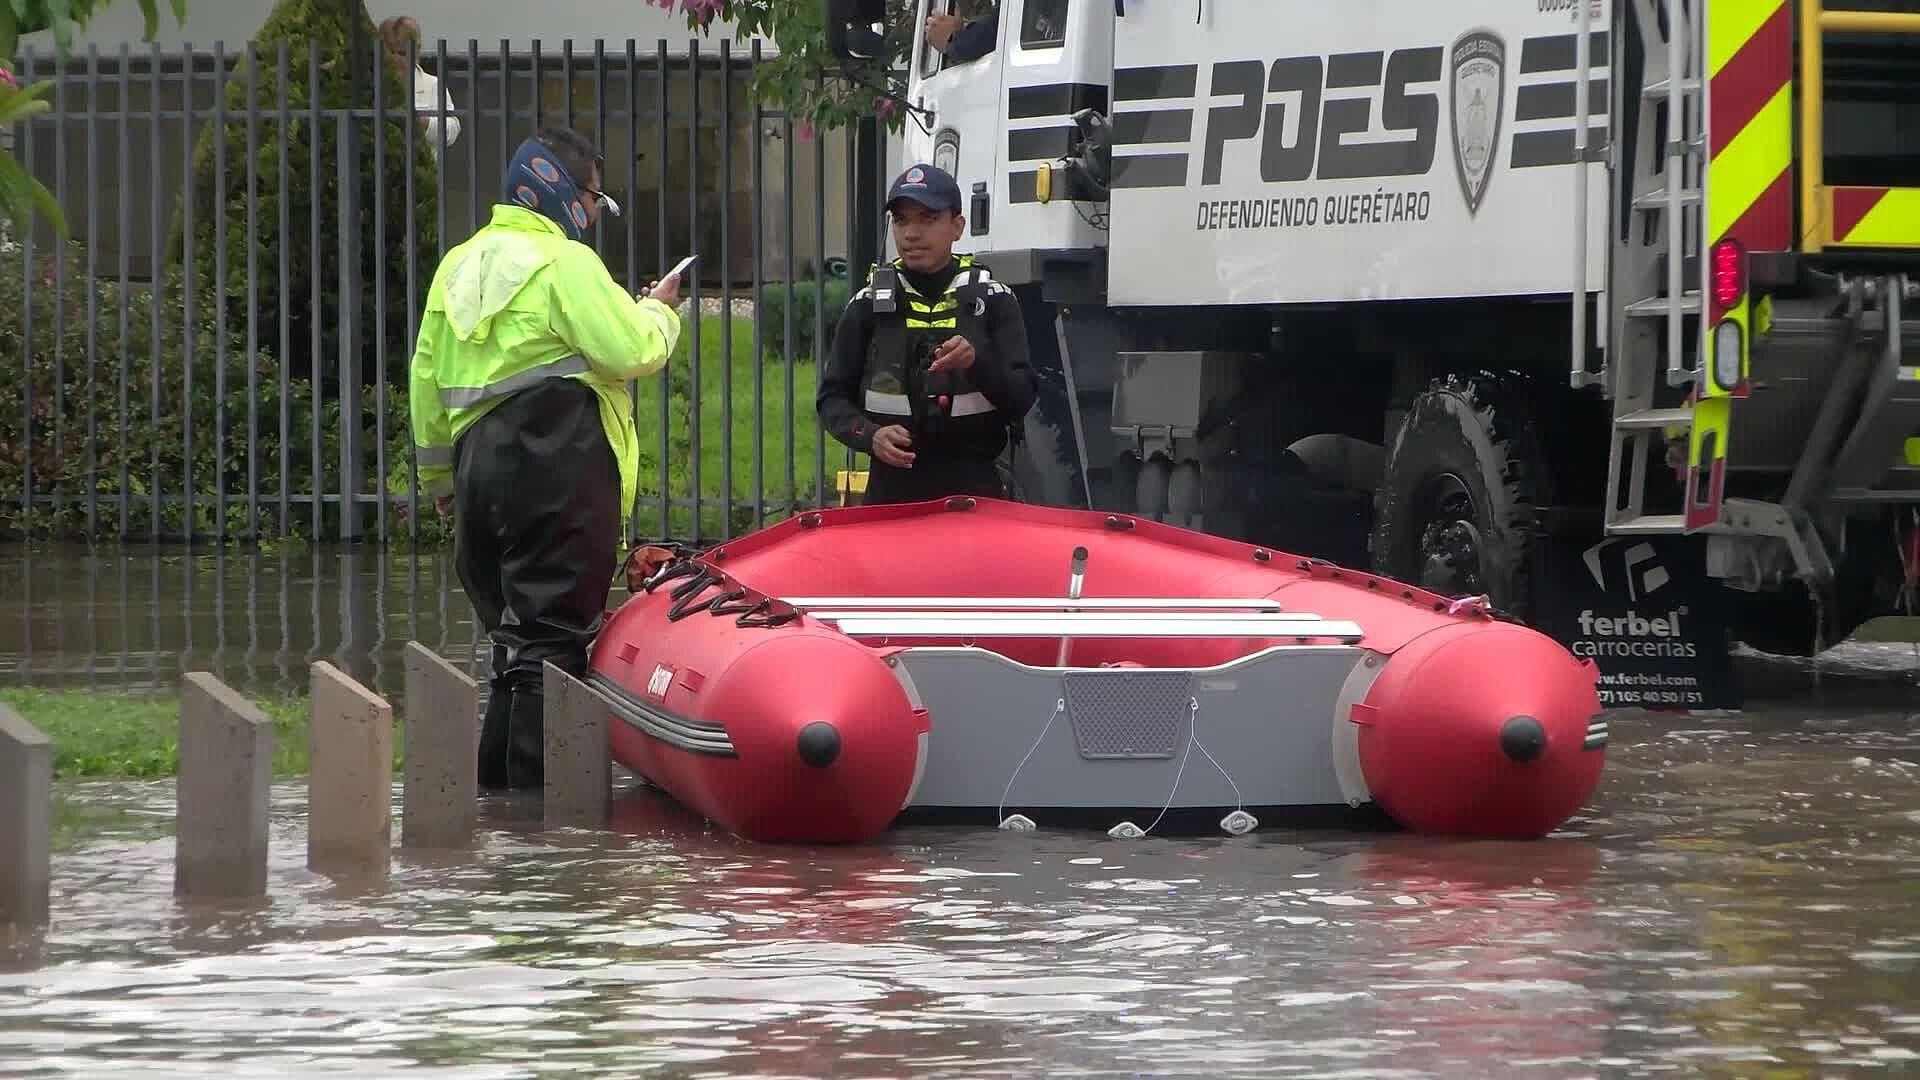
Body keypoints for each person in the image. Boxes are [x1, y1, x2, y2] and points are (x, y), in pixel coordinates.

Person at [410, 125, 683, 790]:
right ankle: (541, 837)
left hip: (480, 470)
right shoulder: (564, 264)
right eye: (593, 196)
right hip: (555, 463)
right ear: (562, 191)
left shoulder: (458, 264)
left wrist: (440, 477)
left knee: (517, 645)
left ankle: (496, 808)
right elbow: (632, 351)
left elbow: (425, 377)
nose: (592, 213)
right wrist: (661, 313)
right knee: (551, 645)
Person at [817, 163, 1036, 505]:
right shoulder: (866, 305)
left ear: (957, 226)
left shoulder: (995, 300)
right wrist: (870, 436)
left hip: (974, 493)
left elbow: (1022, 399)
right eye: (901, 220)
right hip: (891, 496)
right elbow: (831, 399)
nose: (911, 234)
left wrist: (976, 362)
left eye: (928, 218)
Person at [378, 15, 462, 158]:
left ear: (417, 51)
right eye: (390, 52)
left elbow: (452, 130)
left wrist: (425, 123)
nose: (395, 59)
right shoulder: (371, 83)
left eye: (402, 53)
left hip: (420, 171)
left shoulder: (433, 84)